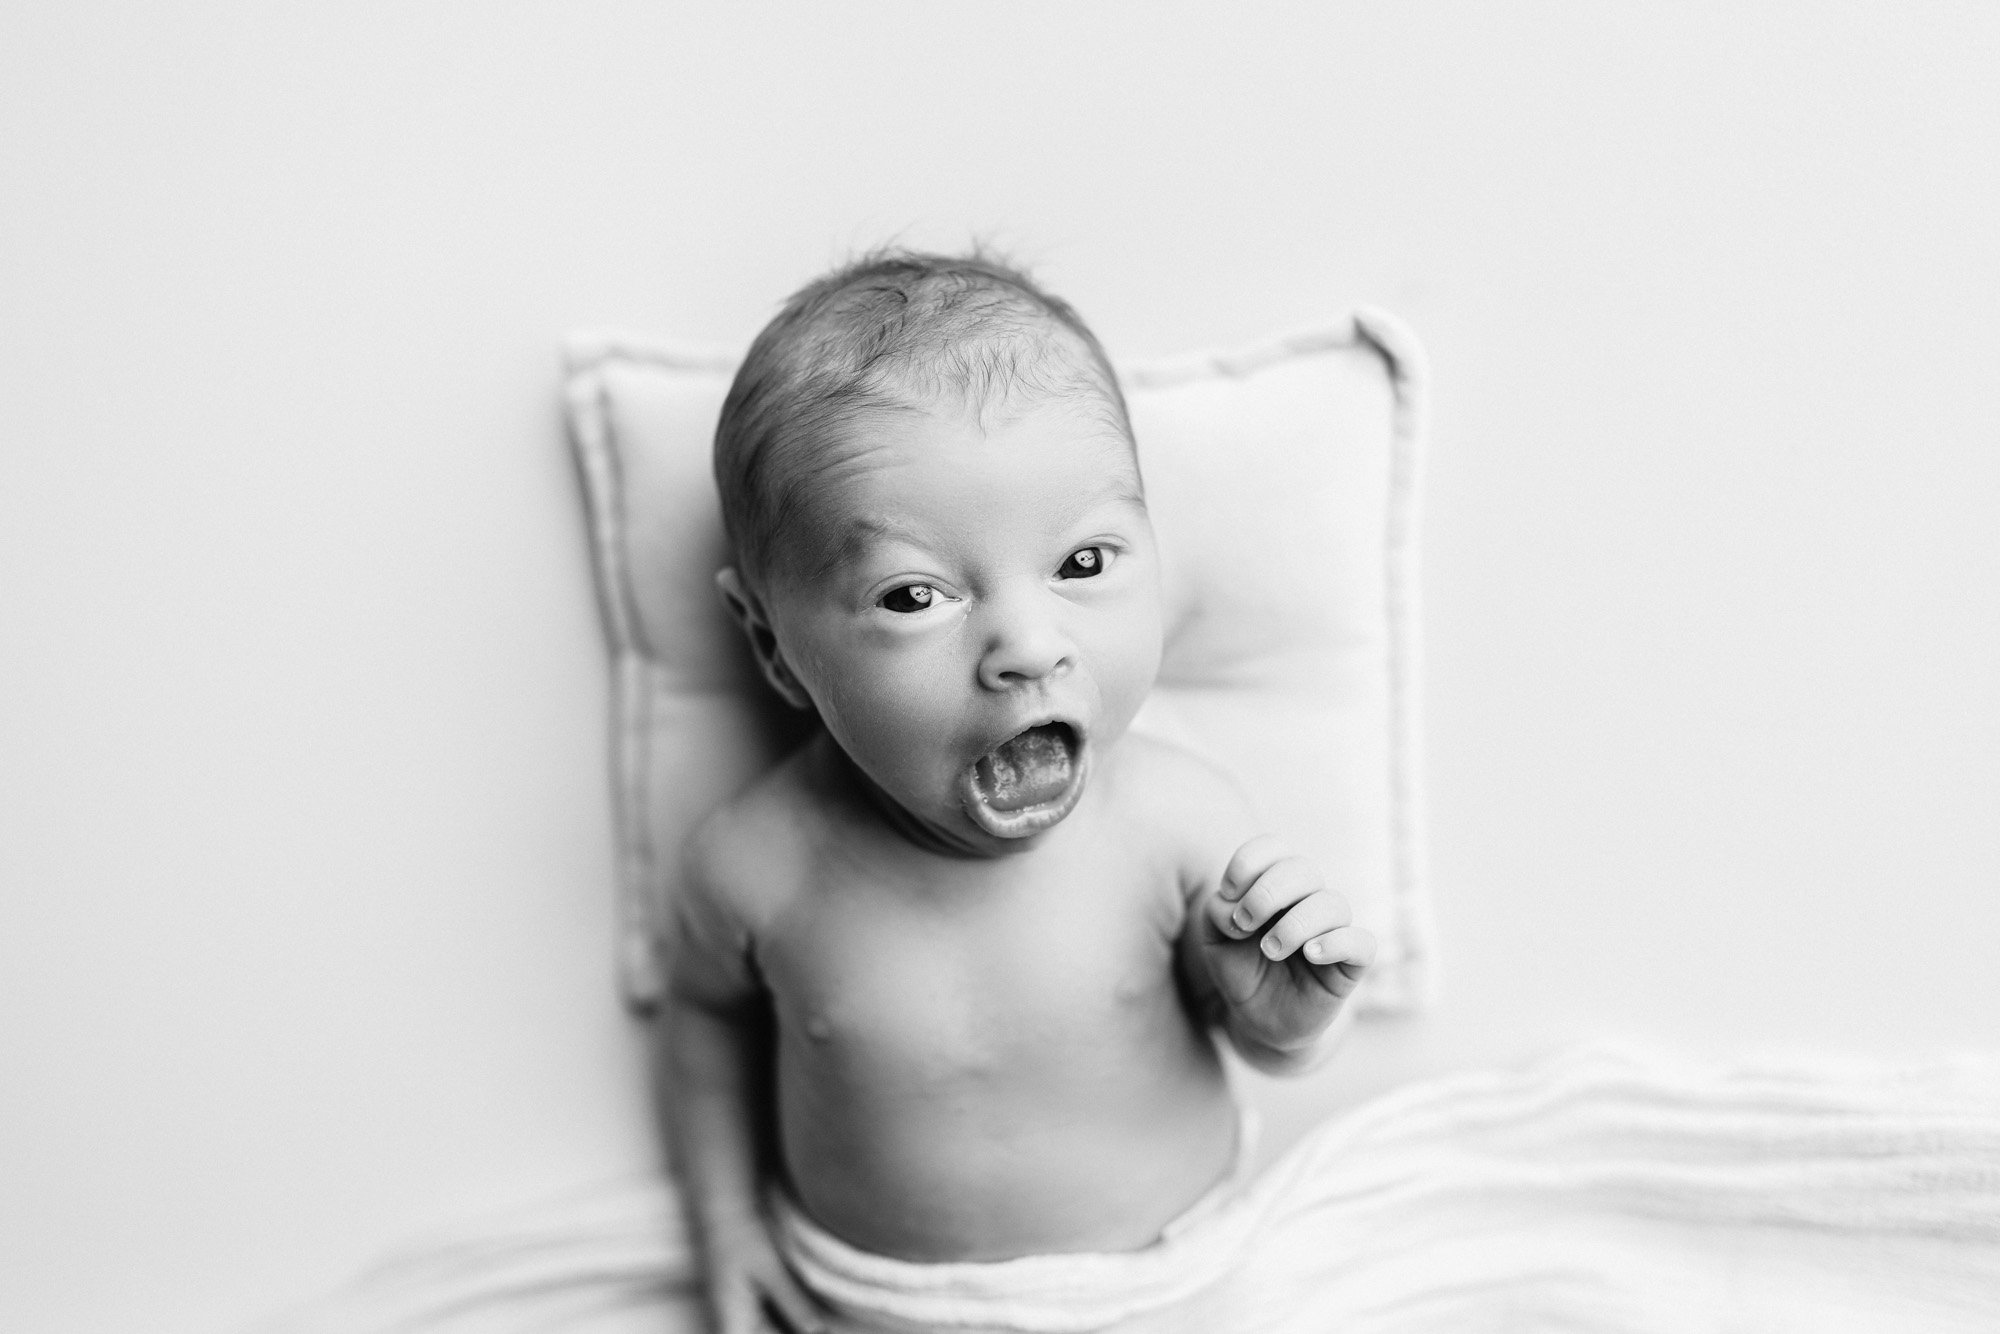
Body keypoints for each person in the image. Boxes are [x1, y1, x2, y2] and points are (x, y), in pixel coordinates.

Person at [666, 250, 1375, 1334]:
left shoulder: (1177, 823)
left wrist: (1287, 1025)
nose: (1030, 646)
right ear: (772, 645)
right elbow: (704, 1025)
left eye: (1082, 565)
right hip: (864, 1301)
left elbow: (1257, 1037)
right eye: (914, 596)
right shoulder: (755, 864)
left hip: (1169, 1281)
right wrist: (725, 1226)